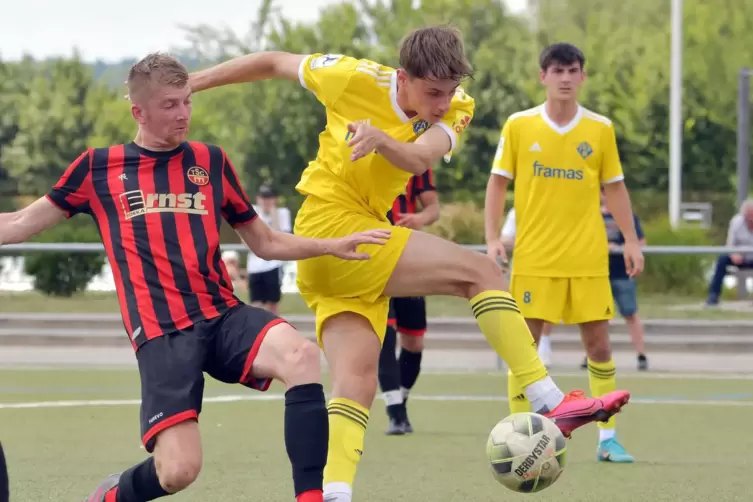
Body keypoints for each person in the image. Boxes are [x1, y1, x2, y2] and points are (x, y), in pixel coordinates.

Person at [190, 27, 632, 501]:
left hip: (351, 245)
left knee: (355, 383)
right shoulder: (350, 77)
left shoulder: (459, 106)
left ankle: (332, 494)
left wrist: (381, 140)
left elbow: (421, 156)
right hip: (329, 226)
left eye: (449, 91)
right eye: (433, 92)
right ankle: (551, 400)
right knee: (480, 272)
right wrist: (191, 82)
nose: (443, 103)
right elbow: (274, 61)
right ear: (403, 78)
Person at [0, 53, 391, 502]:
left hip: (222, 315)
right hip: (163, 332)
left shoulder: (211, 162)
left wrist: (331, 244)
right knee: (179, 472)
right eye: (170, 105)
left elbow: (263, 242)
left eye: (187, 101)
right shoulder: (98, 168)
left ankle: (311, 498)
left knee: (301, 356)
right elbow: (17, 225)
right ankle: (113, 496)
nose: (184, 113)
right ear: (138, 112)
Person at [485, 42, 643, 464]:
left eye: (573, 70)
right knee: (526, 346)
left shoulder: (600, 129)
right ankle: (520, 437)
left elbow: (615, 188)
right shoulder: (519, 126)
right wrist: (493, 237)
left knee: (600, 346)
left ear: (582, 76)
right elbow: (498, 182)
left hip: (588, 258)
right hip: (535, 257)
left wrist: (629, 239)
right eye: (557, 71)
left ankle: (607, 439)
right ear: (543, 77)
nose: (566, 78)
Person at [378, 168, 440, 435]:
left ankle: (400, 399)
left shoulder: (416, 158)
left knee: (413, 342)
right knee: (385, 335)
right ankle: (395, 413)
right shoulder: (360, 151)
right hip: (375, 256)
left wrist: (419, 218)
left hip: (408, 256)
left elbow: (433, 208)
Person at [598, 186, 648, 371]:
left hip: (622, 272)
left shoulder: (627, 217)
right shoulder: (594, 217)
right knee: (596, 318)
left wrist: (624, 245)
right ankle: (592, 356)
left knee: (630, 313)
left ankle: (641, 354)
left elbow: (640, 241)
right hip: (599, 273)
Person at [500, 208, 555, 367]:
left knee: (548, 309)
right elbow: (505, 238)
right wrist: (529, 242)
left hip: (551, 266)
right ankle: (520, 351)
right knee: (521, 311)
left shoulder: (555, 208)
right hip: (525, 268)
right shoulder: (517, 211)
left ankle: (543, 347)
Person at [247, 184, 292, 314]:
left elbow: (280, 236)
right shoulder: (253, 212)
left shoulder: (282, 213)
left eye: (269, 198)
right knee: (255, 303)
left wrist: (273, 213)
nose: (266, 202)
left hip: (273, 264)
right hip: (255, 264)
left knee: (273, 302)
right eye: (263, 198)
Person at [706, 199, 753, 306]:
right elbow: (730, 244)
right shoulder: (736, 222)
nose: (751, 219)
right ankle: (713, 296)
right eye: (749, 216)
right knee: (722, 260)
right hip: (739, 258)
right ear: (744, 216)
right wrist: (733, 254)